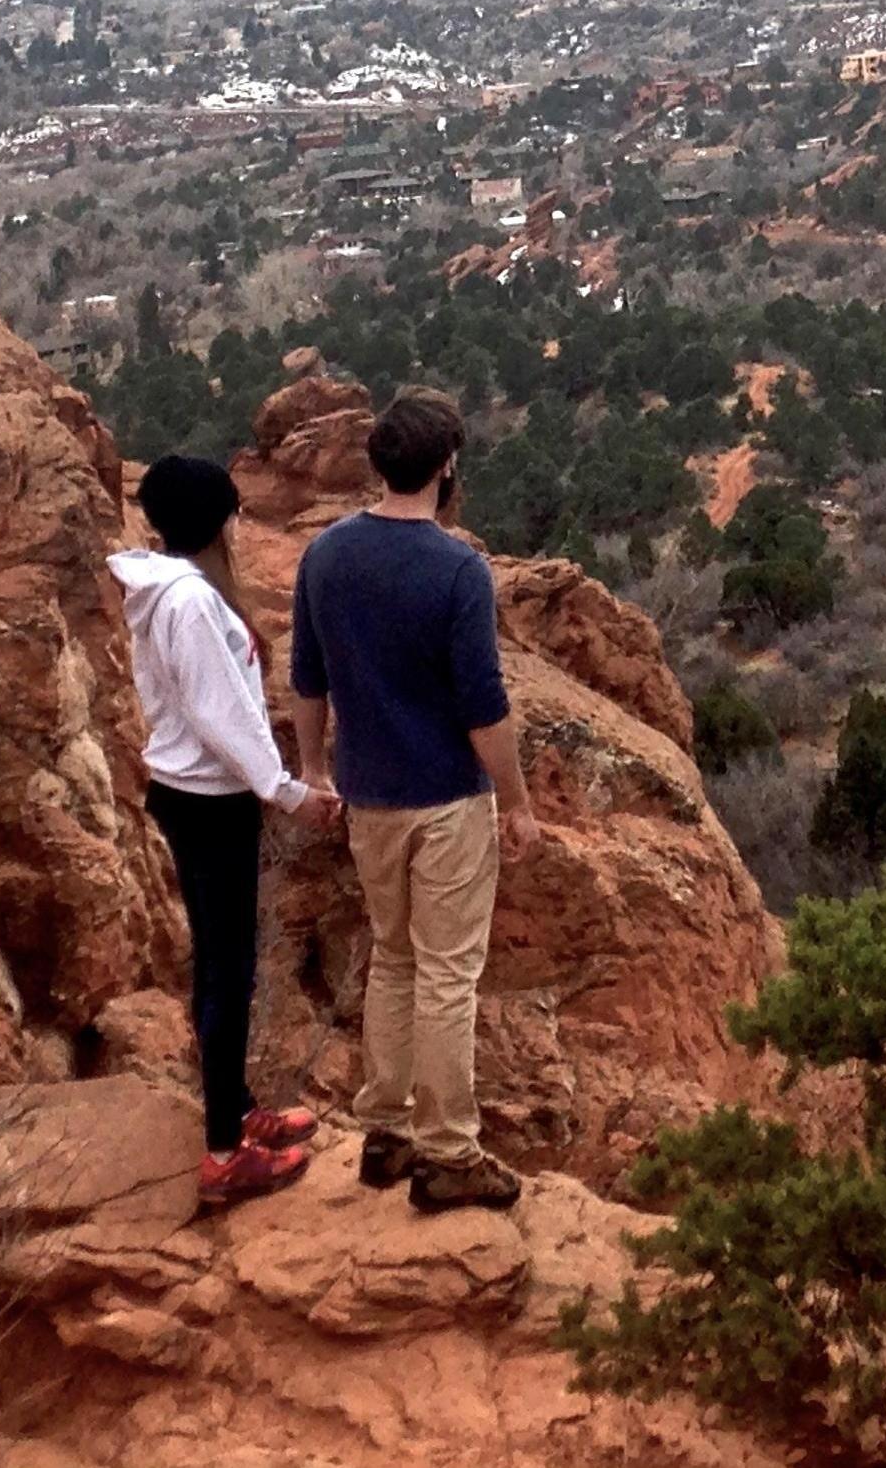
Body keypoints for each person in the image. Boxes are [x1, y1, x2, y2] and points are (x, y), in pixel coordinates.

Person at [288, 388, 542, 1212]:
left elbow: (307, 681)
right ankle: (447, 1153)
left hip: (368, 796)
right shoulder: (457, 569)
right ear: (446, 468)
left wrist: (313, 771)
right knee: (446, 973)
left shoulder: (325, 556)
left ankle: (387, 1132)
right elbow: (483, 705)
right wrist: (519, 801)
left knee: (394, 958)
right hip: (445, 801)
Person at [111, 452, 338, 1208]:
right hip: (210, 799)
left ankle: (235, 1110)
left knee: (219, 961)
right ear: (222, 520)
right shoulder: (192, 604)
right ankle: (221, 1154)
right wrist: (287, 790)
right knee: (228, 970)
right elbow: (223, 714)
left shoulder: (166, 592)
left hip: (187, 793)